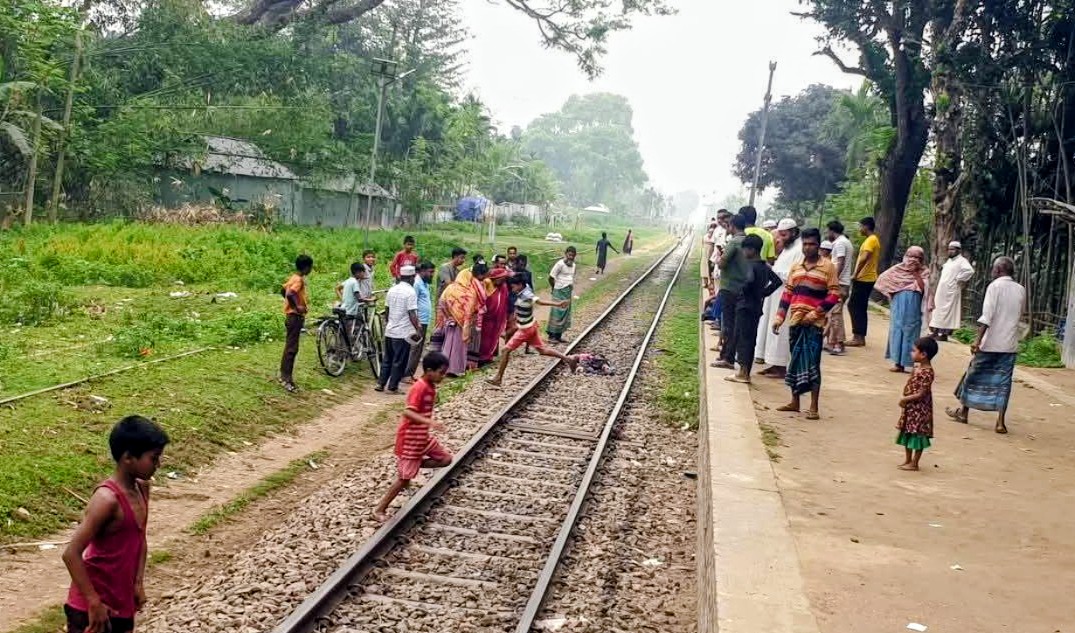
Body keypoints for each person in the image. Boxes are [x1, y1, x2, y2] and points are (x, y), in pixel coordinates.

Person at [63, 416, 170, 633]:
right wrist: (93, 602)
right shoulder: (107, 500)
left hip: (122, 603)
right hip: (92, 608)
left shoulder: (142, 489)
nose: (158, 464)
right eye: (153, 458)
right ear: (128, 457)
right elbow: (71, 553)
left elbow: (140, 540)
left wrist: (138, 583)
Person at [946, 256, 1026, 434]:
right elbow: (1020, 314)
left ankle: (964, 412)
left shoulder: (994, 287)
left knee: (973, 376)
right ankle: (1000, 422)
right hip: (1009, 345)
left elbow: (987, 316)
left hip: (990, 342)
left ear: (998, 270)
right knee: (1003, 383)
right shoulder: (1021, 289)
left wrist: (977, 340)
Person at [374, 352, 453, 522]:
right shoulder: (420, 387)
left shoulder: (430, 386)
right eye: (441, 372)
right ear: (429, 370)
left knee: (446, 459)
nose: (443, 376)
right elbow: (408, 412)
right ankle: (379, 509)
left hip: (422, 438)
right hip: (410, 438)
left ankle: (412, 467)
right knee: (403, 479)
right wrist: (429, 422)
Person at [771, 228, 841, 420]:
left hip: (814, 323)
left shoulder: (827, 267)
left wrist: (816, 312)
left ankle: (814, 406)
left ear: (819, 246)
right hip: (795, 320)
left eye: (812, 244)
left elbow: (835, 294)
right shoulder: (796, 267)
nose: (808, 247)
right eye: (805, 244)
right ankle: (795, 401)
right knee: (794, 360)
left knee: (812, 364)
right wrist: (779, 316)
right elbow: (788, 293)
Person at [486, 273, 579, 387]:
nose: (513, 289)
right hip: (531, 326)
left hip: (525, 329)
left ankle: (498, 378)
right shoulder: (523, 290)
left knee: (505, 350)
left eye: (514, 286)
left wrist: (558, 304)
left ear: (520, 285)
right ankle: (569, 359)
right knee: (542, 350)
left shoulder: (527, 294)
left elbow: (539, 302)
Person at [724, 235, 782, 384]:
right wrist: (762, 293)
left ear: (751, 250)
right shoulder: (764, 266)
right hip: (756, 306)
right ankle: (745, 371)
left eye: (744, 249)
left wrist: (741, 292)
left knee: (743, 339)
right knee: (750, 339)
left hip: (745, 307)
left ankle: (743, 373)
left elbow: (748, 281)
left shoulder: (750, 265)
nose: (743, 253)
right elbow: (777, 281)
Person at [758, 219, 803, 379]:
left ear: (793, 232)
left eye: (784, 235)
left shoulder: (799, 250)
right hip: (775, 292)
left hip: (785, 293)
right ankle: (773, 363)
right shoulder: (787, 249)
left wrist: (773, 271)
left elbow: (795, 274)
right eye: (780, 235)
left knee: (781, 330)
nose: (781, 238)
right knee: (771, 327)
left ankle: (781, 366)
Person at [875, 246, 931, 373]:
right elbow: (883, 280)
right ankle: (897, 363)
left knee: (911, 333)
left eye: (917, 257)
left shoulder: (924, 271)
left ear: (921, 259)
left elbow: (923, 289)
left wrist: (916, 273)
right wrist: (892, 294)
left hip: (913, 306)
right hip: (898, 305)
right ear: (905, 256)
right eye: (911, 256)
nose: (913, 259)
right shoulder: (897, 269)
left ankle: (909, 363)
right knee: (896, 331)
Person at [895, 337, 939, 472]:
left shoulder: (927, 372)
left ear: (923, 354)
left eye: (914, 351)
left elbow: (921, 394)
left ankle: (915, 463)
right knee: (907, 432)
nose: (911, 353)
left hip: (919, 409)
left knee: (917, 435)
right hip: (911, 407)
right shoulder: (917, 368)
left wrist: (905, 399)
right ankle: (908, 460)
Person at [376, 265, 421, 393]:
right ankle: (393, 386)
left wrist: (390, 323)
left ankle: (381, 383)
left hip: (390, 330)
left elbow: (387, 310)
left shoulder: (392, 289)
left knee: (387, 359)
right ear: (412, 277)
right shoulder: (410, 292)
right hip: (403, 333)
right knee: (399, 360)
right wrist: (418, 329)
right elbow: (412, 313)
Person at [711, 214, 748, 369]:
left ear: (732, 226)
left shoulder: (734, 242)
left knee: (728, 324)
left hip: (729, 287)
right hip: (742, 287)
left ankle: (727, 357)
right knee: (735, 324)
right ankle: (730, 355)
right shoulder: (748, 240)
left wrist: (720, 256)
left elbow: (722, 264)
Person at [929, 241, 975, 340]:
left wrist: (958, 278)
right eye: (949, 249)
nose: (950, 251)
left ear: (958, 250)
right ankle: (935, 332)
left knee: (948, 313)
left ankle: (944, 334)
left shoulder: (962, 261)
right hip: (942, 290)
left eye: (952, 249)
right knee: (937, 310)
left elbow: (970, 271)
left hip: (951, 290)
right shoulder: (950, 261)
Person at [279, 254, 312, 393]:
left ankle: (284, 376)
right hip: (295, 317)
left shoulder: (293, 277)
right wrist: (297, 306)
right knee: (292, 348)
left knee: (290, 346)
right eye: (310, 267)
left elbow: (283, 290)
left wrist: (289, 304)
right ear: (306, 267)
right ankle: (286, 379)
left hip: (290, 316)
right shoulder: (299, 280)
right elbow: (291, 293)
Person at [847, 216, 881, 347]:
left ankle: (858, 337)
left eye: (861, 226)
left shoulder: (871, 240)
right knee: (859, 307)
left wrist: (856, 273)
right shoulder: (872, 240)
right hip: (866, 278)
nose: (860, 229)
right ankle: (859, 336)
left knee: (855, 306)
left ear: (866, 226)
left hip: (864, 278)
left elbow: (864, 257)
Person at [826, 221, 855, 355]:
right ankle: (832, 342)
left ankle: (839, 344)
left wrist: (833, 280)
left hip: (839, 283)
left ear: (832, 231)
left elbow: (840, 262)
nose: (827, 234)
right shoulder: (845, 242)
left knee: (836, 315)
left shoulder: (840, 243)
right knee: (833, 313)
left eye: (828, 231)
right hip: (842, 282)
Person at [405, 261, 436, 381]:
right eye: (430, 272)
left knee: (418, 349)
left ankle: (410, 373)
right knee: (414, 348)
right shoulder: (417, 283)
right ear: (422, 271)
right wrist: (416, 323)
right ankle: (406, 374)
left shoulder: (425, 283)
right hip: (418, 322)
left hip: (423, 321)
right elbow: (412, 304)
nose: (432, 274)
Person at [479, 267, 512, 364]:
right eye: (502, 278)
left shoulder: (503, 286)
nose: (503, 280)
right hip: (486, 317)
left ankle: (488, 355)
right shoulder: (487, 283)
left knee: (493, 337)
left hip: (497, 317)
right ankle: (481, 357)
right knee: (484, 338)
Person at [338, 262, 376, 342]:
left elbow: (338, 288)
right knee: (359, 326)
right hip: (352, 310)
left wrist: (343, 299)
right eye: (363, 272)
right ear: (358, 272)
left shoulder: (348, 281)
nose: (364, 274)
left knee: (347, 331)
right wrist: (371, 300)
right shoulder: (355, 282)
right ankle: (360, 344)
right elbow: (359, 298)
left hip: (344, 309)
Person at [546, 247, 577, 343]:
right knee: (557, 313)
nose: (570, 257)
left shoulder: (574, 265)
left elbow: (570, 277)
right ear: (566, 254)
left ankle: (558, 335)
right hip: (559, 291)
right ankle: (551, 336)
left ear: (575, 256)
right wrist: (554, 288)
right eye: (569, 255)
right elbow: (551, 277)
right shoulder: (560, 264)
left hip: (567, 291)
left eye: (572, 255)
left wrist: (570, 286)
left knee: (565, 314)